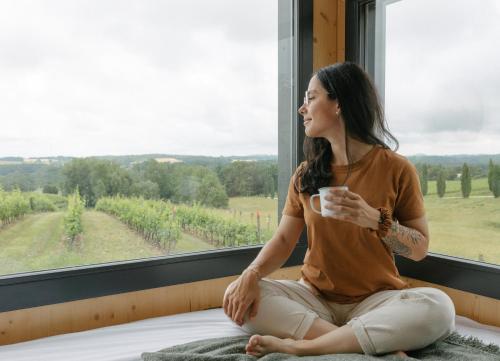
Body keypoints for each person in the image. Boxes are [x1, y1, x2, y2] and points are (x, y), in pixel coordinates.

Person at [222, 62, 455, 358]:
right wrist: (251, 274)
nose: (301, 108)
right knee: (237, 295)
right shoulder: (305, 175)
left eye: (311, 97)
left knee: (440, 308)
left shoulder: (397, 169)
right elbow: (283, 241)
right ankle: (359, 345)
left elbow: (419, 248)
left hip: (377, 301)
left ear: (338, 104)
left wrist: (374, 219)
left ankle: (306, 347)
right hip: (314, 298)